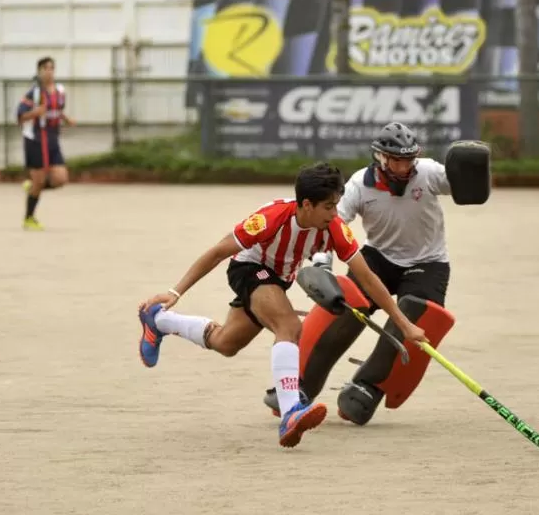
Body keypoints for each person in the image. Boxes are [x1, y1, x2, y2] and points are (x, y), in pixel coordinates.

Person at [136, 162, 428, 449]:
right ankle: (290, 412)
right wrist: (175, 291)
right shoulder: (270, 218)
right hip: (249, 269)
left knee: (226, 343)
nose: (334, 213)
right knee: (289, 326)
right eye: (328, 206)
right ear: (306, 205)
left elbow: (368, 278)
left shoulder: (334, 228)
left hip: (278, 279)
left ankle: (158, 320)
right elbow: (217, 252)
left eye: (336, 205)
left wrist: (404, 324)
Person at [262, 122, 458, 423]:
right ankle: (301, 386)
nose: (404, 167)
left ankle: (368, 386)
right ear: (380, 158)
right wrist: (321, 264)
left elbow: (460, 183)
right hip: (378, 257)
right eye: (396, 160)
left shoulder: (429, 172)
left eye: (408, 159)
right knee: (345, 307)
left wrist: (470, 170)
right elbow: (328, 224)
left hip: (428, 262)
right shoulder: (359, 185)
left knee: (416, 317)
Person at [17, 56, 76, 230]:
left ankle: (33, 187)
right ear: (39, 71)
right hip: (36, 138)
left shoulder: (60, 91)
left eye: (51, 68)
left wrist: (66, 119)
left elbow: (57, 110)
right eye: (45, 68)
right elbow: (20, 116)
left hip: (52, 138)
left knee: (60, 178)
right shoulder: (33, 93)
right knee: (39, 179)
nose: (49, 71)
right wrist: (35, 113)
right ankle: (29, 218)